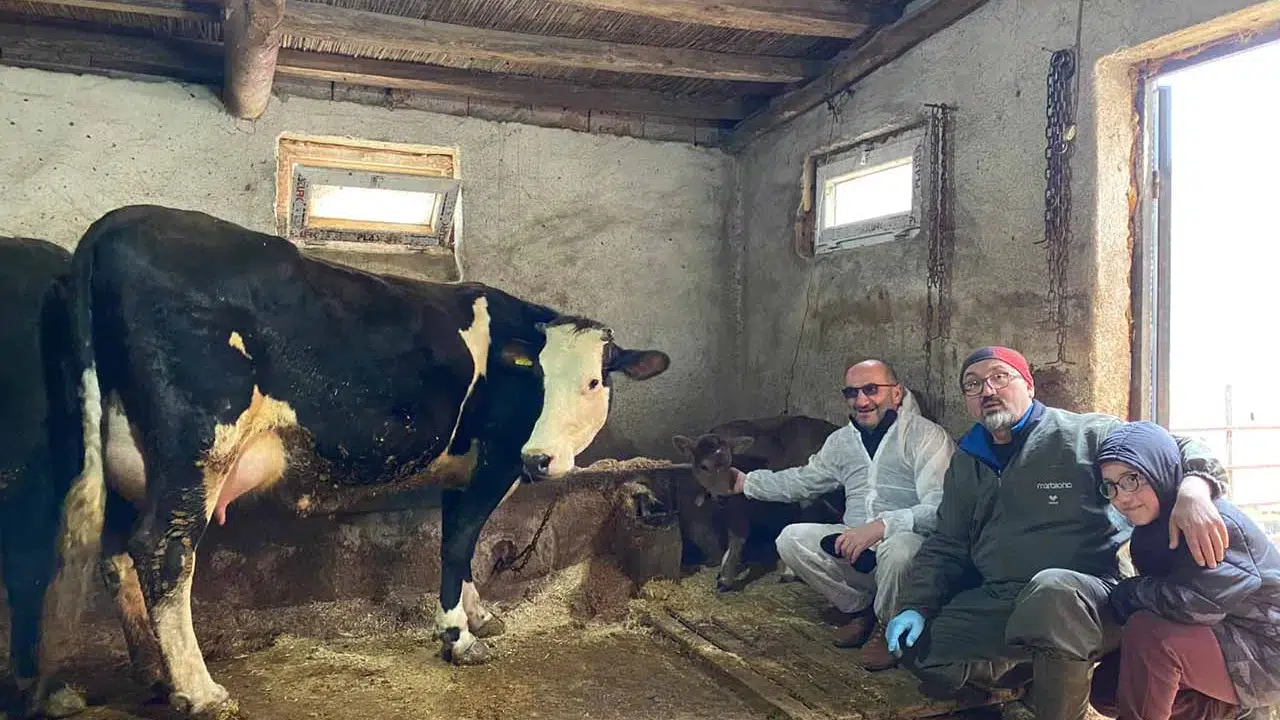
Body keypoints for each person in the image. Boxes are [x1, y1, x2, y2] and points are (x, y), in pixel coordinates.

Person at [883, 346, 1232, 720]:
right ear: (968, 400)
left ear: (1029, 386)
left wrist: (1196, 488)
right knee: (922, 652)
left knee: (1052, 595)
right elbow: (947, 542)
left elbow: (1178, 445)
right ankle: (1038, 679)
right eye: (973, 384)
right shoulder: (967, 460)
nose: (988, 390)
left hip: (1089, 596)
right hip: (1005, 597)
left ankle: (1055, 691)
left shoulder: (1086, 435)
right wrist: (915, 605)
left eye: (1000, 377)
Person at [727, 359, 955, 670]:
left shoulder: (926, 437)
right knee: (791, 539)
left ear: (896, 393)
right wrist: (748, 483)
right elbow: (804, 480)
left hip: (907, 547)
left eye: (871, 390)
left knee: (900, 550)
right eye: (852, 393)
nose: (861, 401)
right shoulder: (842, 441)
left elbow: (940, 508)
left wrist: (883, 526)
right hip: (856, 546)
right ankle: (860, 609)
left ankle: (888, 626)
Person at [1087, 421, 1280, 720]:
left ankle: (1244, 706)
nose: (1122, 497)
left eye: (1132, 479)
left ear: (1160, 470)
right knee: (1108, 687)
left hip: (1267, 650)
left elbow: (1196, 606)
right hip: (1228, 634)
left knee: (1150, 633)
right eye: (1110, 486)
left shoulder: (1207, 522)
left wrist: (1128, 592)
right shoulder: (1153, 526)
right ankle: (1233, 711)